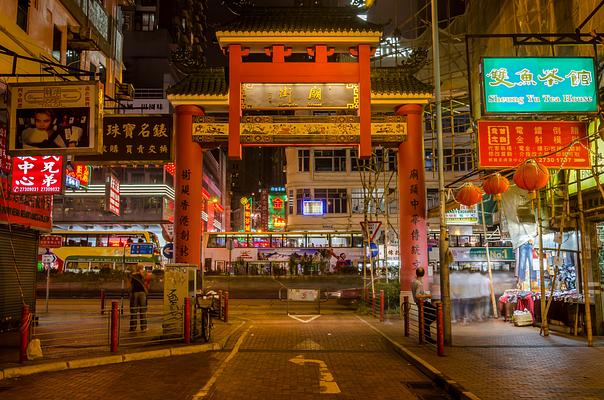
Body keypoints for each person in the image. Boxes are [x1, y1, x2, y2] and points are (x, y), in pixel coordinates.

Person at [412, 267, 436, 343]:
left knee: (426, 319)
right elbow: (417, 295)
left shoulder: (414, 282)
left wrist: (425, 294)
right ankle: (427, 335)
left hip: (420, 304)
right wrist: (427, 296)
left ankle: (427, 337)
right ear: (423, 274)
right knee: (436, 313)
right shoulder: (419, 283)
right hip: (423, 303)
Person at [129, 264, 148, 332]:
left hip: (135, 293)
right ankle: (143, 327)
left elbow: (145, 279)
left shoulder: (137, 274)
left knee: (134, 311)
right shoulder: (134, 274)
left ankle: (133, 328)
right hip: (141, 293)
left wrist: (140, 273)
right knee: (142, 310)